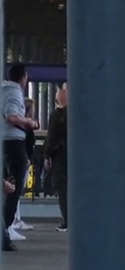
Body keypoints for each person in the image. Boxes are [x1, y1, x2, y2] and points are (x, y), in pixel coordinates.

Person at [3, 63, 37, 244]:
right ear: (23, 77)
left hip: (3, 142)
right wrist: (29, 122)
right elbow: (11, 116)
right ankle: (5, 228)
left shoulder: (3, 90)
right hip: (14, 142)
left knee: (5, 186)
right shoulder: (15, 92)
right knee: (15, 187)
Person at [46, 83, 66, 231]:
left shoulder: (55, 116)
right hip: (71, 156)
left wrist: (47, 156)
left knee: (63, 191)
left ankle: (66, 220)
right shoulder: (75, 114)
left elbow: (51, 138)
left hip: (60, 156)